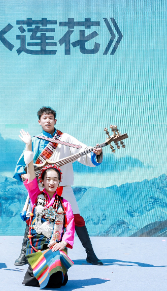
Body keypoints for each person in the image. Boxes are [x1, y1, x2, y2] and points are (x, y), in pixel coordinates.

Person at [14, 107, 103, 266]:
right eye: (44, 118)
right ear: (39, 121)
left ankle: (90, 254)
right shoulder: (35, 141)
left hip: (63, 187)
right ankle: (24, 254)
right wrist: (24, 174)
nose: (48, 121)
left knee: (76, 219)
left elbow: (82, 151)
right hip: (42, 188)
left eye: (50, 118)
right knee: (33, 218)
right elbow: (24, 163)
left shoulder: (65, 138)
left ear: (55, 121)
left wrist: (95, 153)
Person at [18, 129, 74, 288]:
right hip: (36, 246)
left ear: (59, 182)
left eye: (55, 179)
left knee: (56, 281)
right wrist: (28, 146)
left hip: (55, 246)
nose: (51, 182)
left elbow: (70, 226)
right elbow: (30, 172)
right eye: (48, 179)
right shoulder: (35, 196)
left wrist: (63, 243)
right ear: (42, 181)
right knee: (34, 280)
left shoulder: (64, 204)